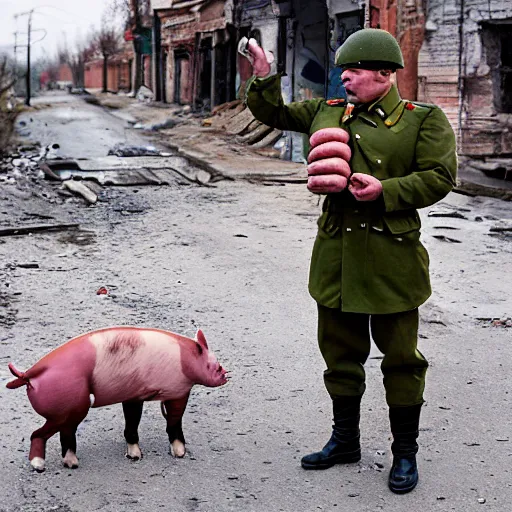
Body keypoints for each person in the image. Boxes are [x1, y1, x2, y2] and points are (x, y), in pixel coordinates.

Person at [242, 28, 457, 494]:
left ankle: (405, 454)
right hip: (337, 255)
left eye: (354, 70)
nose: (344, 77)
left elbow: (440, 177)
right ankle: (345, 442)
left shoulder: (423, 120)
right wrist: (262, 75)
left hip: (391, 257)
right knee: (339, 356)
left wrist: (388, 191)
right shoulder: (329, 109)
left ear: (385, 74)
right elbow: (273, 112)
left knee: (401, 360)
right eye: (343, 69)